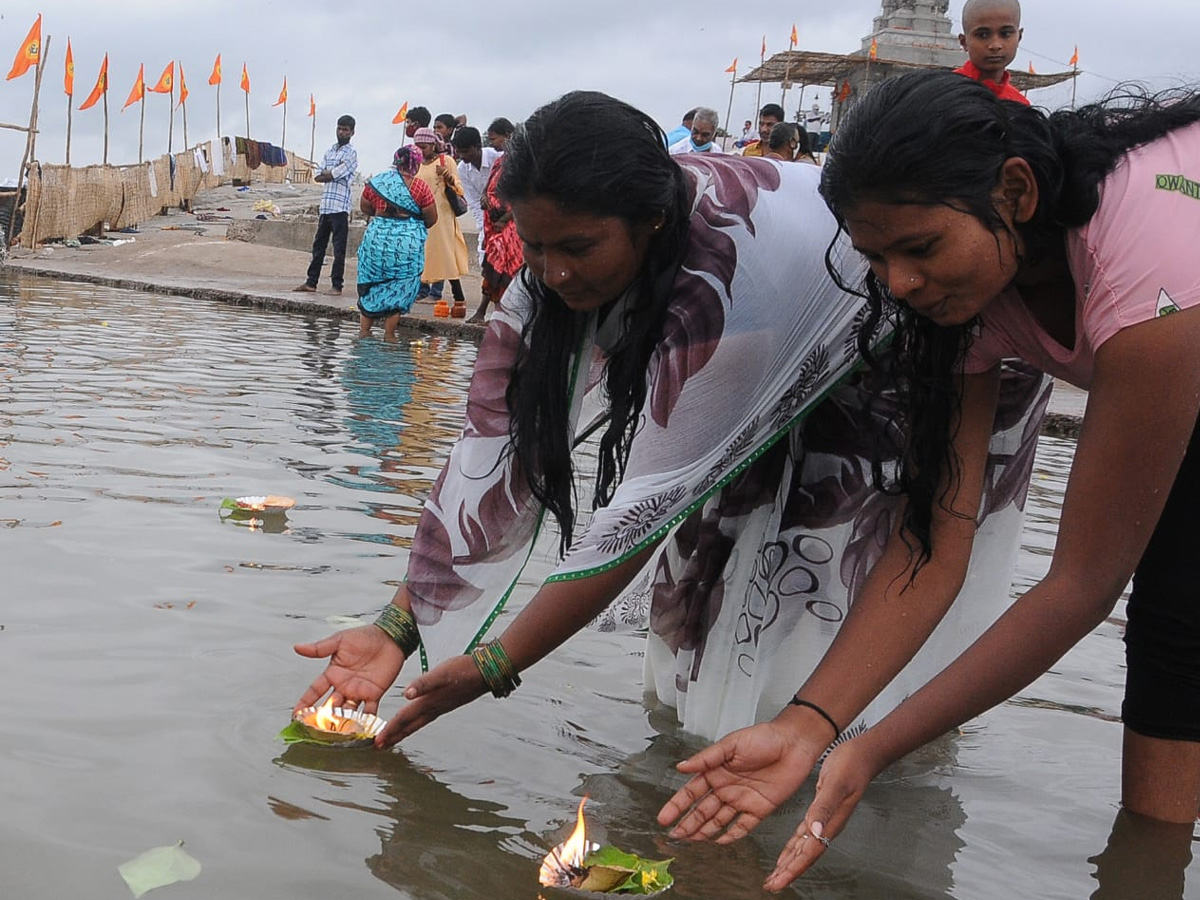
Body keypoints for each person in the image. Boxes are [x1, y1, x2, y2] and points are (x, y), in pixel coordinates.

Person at [293, 90, 1046, 784]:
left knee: (827, 578)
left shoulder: (724, 270)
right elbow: (486, 444)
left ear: (650, 221)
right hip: (763, 353)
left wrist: (496, 662)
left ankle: (836, 759)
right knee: (723, 577)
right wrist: (400, 621)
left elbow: (643, 508)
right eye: (538, 244)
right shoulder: (558, 252)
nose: (554, 271)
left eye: (578, 249)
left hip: (913, 356)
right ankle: (723, 756)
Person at [660, 72, 1200, 891]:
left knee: (1173, 616)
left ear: (1016, 190)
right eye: (877, 256)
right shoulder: (968, 303)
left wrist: (869, 748)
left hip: (1177, 326)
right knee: (1174, 640)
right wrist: (812, 726)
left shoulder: (1148, 259)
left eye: (920, 248)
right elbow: (930, 546)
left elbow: (1081, 585)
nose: (899, 283)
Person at [355, 146, 438, 341]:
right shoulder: (420, 187)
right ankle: (390, 335)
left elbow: (365, 206)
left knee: (372, 286)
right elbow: (431, 218)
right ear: (416, 164)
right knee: (400, 287)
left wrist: (382, 216)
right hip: (406, 245)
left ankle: (364, 334)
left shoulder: (378, 182)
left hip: (377, 242)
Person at [294, 115, 358, 296]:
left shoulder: (351, 153)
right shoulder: (330, 150)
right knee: (318, 247)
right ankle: (311, 282)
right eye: (339, 128)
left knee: (339, 250)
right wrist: (328, 173)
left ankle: (337, 286)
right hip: (326, 206)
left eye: (345, 129)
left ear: (352, 132)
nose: (342, 132)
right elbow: (318, 174)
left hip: (340, 207)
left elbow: (335, 173)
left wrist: (327, 173)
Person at [412, 127, 471, 316]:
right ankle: (421, 291)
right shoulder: (416, 164)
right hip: (422, 214)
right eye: (418, 147)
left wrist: (447, 175)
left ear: (434, 145)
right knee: (422, 252)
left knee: (444, 253)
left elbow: (459, 188)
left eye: (425, 147)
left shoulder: (447, 161)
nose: (421, 151)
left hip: (443, 215)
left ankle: (455, 295)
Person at [452, 126, 504, 320]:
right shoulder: (462, 169)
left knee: (504, 265)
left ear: (477, 147)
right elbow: (474, 202)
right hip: (487, 219)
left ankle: (494, 311)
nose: (463, 156)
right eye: (459, 152)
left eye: (466, 152)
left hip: (508, 217)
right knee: (487, 261)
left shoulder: (496, 159)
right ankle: (488, 310)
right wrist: (485, 228)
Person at [472, 152, 522, 323]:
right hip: (493, 223)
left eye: (496, 138)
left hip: (509, 225)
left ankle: (501, 314)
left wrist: (504, 219)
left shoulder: (521, 164)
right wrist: (485, 198)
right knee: (493, 265)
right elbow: (488, 188)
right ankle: (487, 311)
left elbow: (520, 197)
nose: (494, 144)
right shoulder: (500, 162)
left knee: (506, 267)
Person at [954, 0, 1029, 105]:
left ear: (1019, 37)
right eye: (983, 35)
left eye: (1005, 34)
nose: (995, 45)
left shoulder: (1020, 105)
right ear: (964, 42)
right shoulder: (946, 94)